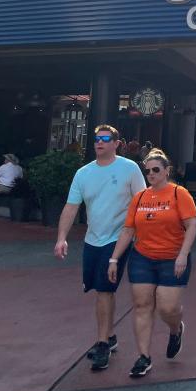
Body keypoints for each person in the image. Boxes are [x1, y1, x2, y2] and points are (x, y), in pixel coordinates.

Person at [55, 124, 147, 371]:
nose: (99, 142)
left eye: (105, 138)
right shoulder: (83, 173)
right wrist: (61, 237)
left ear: (117, 143)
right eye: (96, 139)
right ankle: (110, 336)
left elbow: (142, 202)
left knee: (105, 290)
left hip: (119, 239)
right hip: (92, 239)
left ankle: (102, 343)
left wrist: (140, 235)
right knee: (100, 289)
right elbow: (71, 207)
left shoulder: (129, 168)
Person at [108, 149, 196, 377]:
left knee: (168, 308)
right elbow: (128, 230)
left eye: (156, 170)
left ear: (167, 171)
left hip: (172, 258)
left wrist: (183, 255)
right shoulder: (139, 198)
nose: (151, 174)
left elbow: (192, 226)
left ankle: (176, 329)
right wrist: (114, 259)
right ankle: (143, 357)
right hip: (142, 258)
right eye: (147, 171)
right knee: (142, 306)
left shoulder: (180, 194)